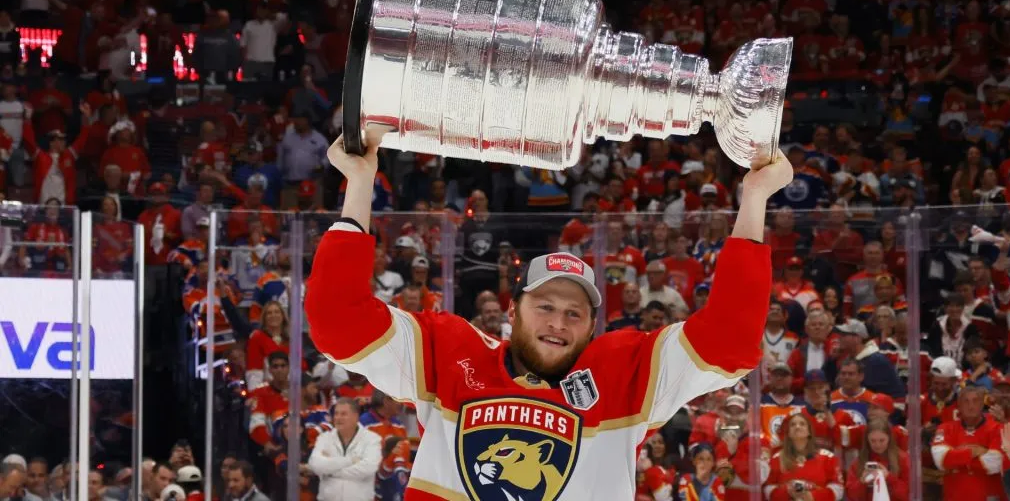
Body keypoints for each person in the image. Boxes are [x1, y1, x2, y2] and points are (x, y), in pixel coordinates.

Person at [306, 130, 793, 499]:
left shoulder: (626, 374)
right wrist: (359, 183)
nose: (558, 322)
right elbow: (339, 324)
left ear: (593, 326)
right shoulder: (451, 354)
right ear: (513, 310)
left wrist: (754, 197)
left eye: (574, 313)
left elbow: (729, 340)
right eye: (545, 306)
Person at [930, 384, 1004, 501]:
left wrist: (957, 455)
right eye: (966, 401)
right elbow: (941, 460)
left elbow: (994, 463)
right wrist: (975, 451)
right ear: (959, 405)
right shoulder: (945, 428)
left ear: (981, 405)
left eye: (975, 401)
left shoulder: (997, 428)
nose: (971, 406)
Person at [308, 397, 382, 501]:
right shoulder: (324, 438)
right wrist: (350, 461)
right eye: (336, 413)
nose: (338, 418)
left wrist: (330, 471)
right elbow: (315, 465)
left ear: (355, 417)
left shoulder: (371, 439)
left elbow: (368, 468)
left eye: (343, 414)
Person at [762, 412, 844, 501]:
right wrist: (787, 492)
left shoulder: (828, 457)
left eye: (802, 424)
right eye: (793, 425)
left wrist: (813, 497)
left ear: (809, 432)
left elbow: (838, 489)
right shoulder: (776, 459)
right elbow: (768, 490)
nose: (797, 427)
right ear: (788, 433)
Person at [845, 419, 909, 501]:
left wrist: (889, 478)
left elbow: (908, 495)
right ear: (867, 441)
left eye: (882, 440)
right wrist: (862, 482)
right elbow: (851, 496)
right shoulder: (858, 462)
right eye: (873, 441)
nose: (877, 445)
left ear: (889, 438)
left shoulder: (903, 459)